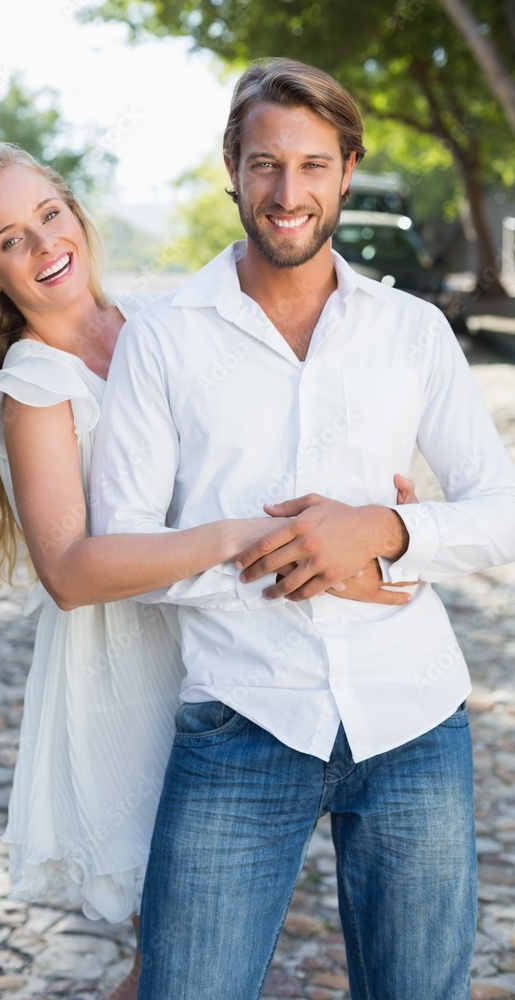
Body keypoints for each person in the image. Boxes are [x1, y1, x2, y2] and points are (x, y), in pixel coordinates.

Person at [0, 141, 416, 1000]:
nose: (43, 244)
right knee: (175, 950)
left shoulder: (157, 325)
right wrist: (238, 534)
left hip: (219, 648)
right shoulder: (35, 387)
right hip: (131, 676)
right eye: (10, 241)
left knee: (182, 951)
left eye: (48, 216)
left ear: (76, 214)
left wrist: (373, 507)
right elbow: (69, 571)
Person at [90, 59, 515, 1000]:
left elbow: (501, 510)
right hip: (240, 717)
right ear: (231, 169)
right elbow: (120, 548)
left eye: (314, 165)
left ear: (348, 169)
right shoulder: (162, 338)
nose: (289, 194)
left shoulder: (411, 331)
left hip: (412, 717)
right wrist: (290, 555)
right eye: (266, 165)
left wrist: (385, 534)